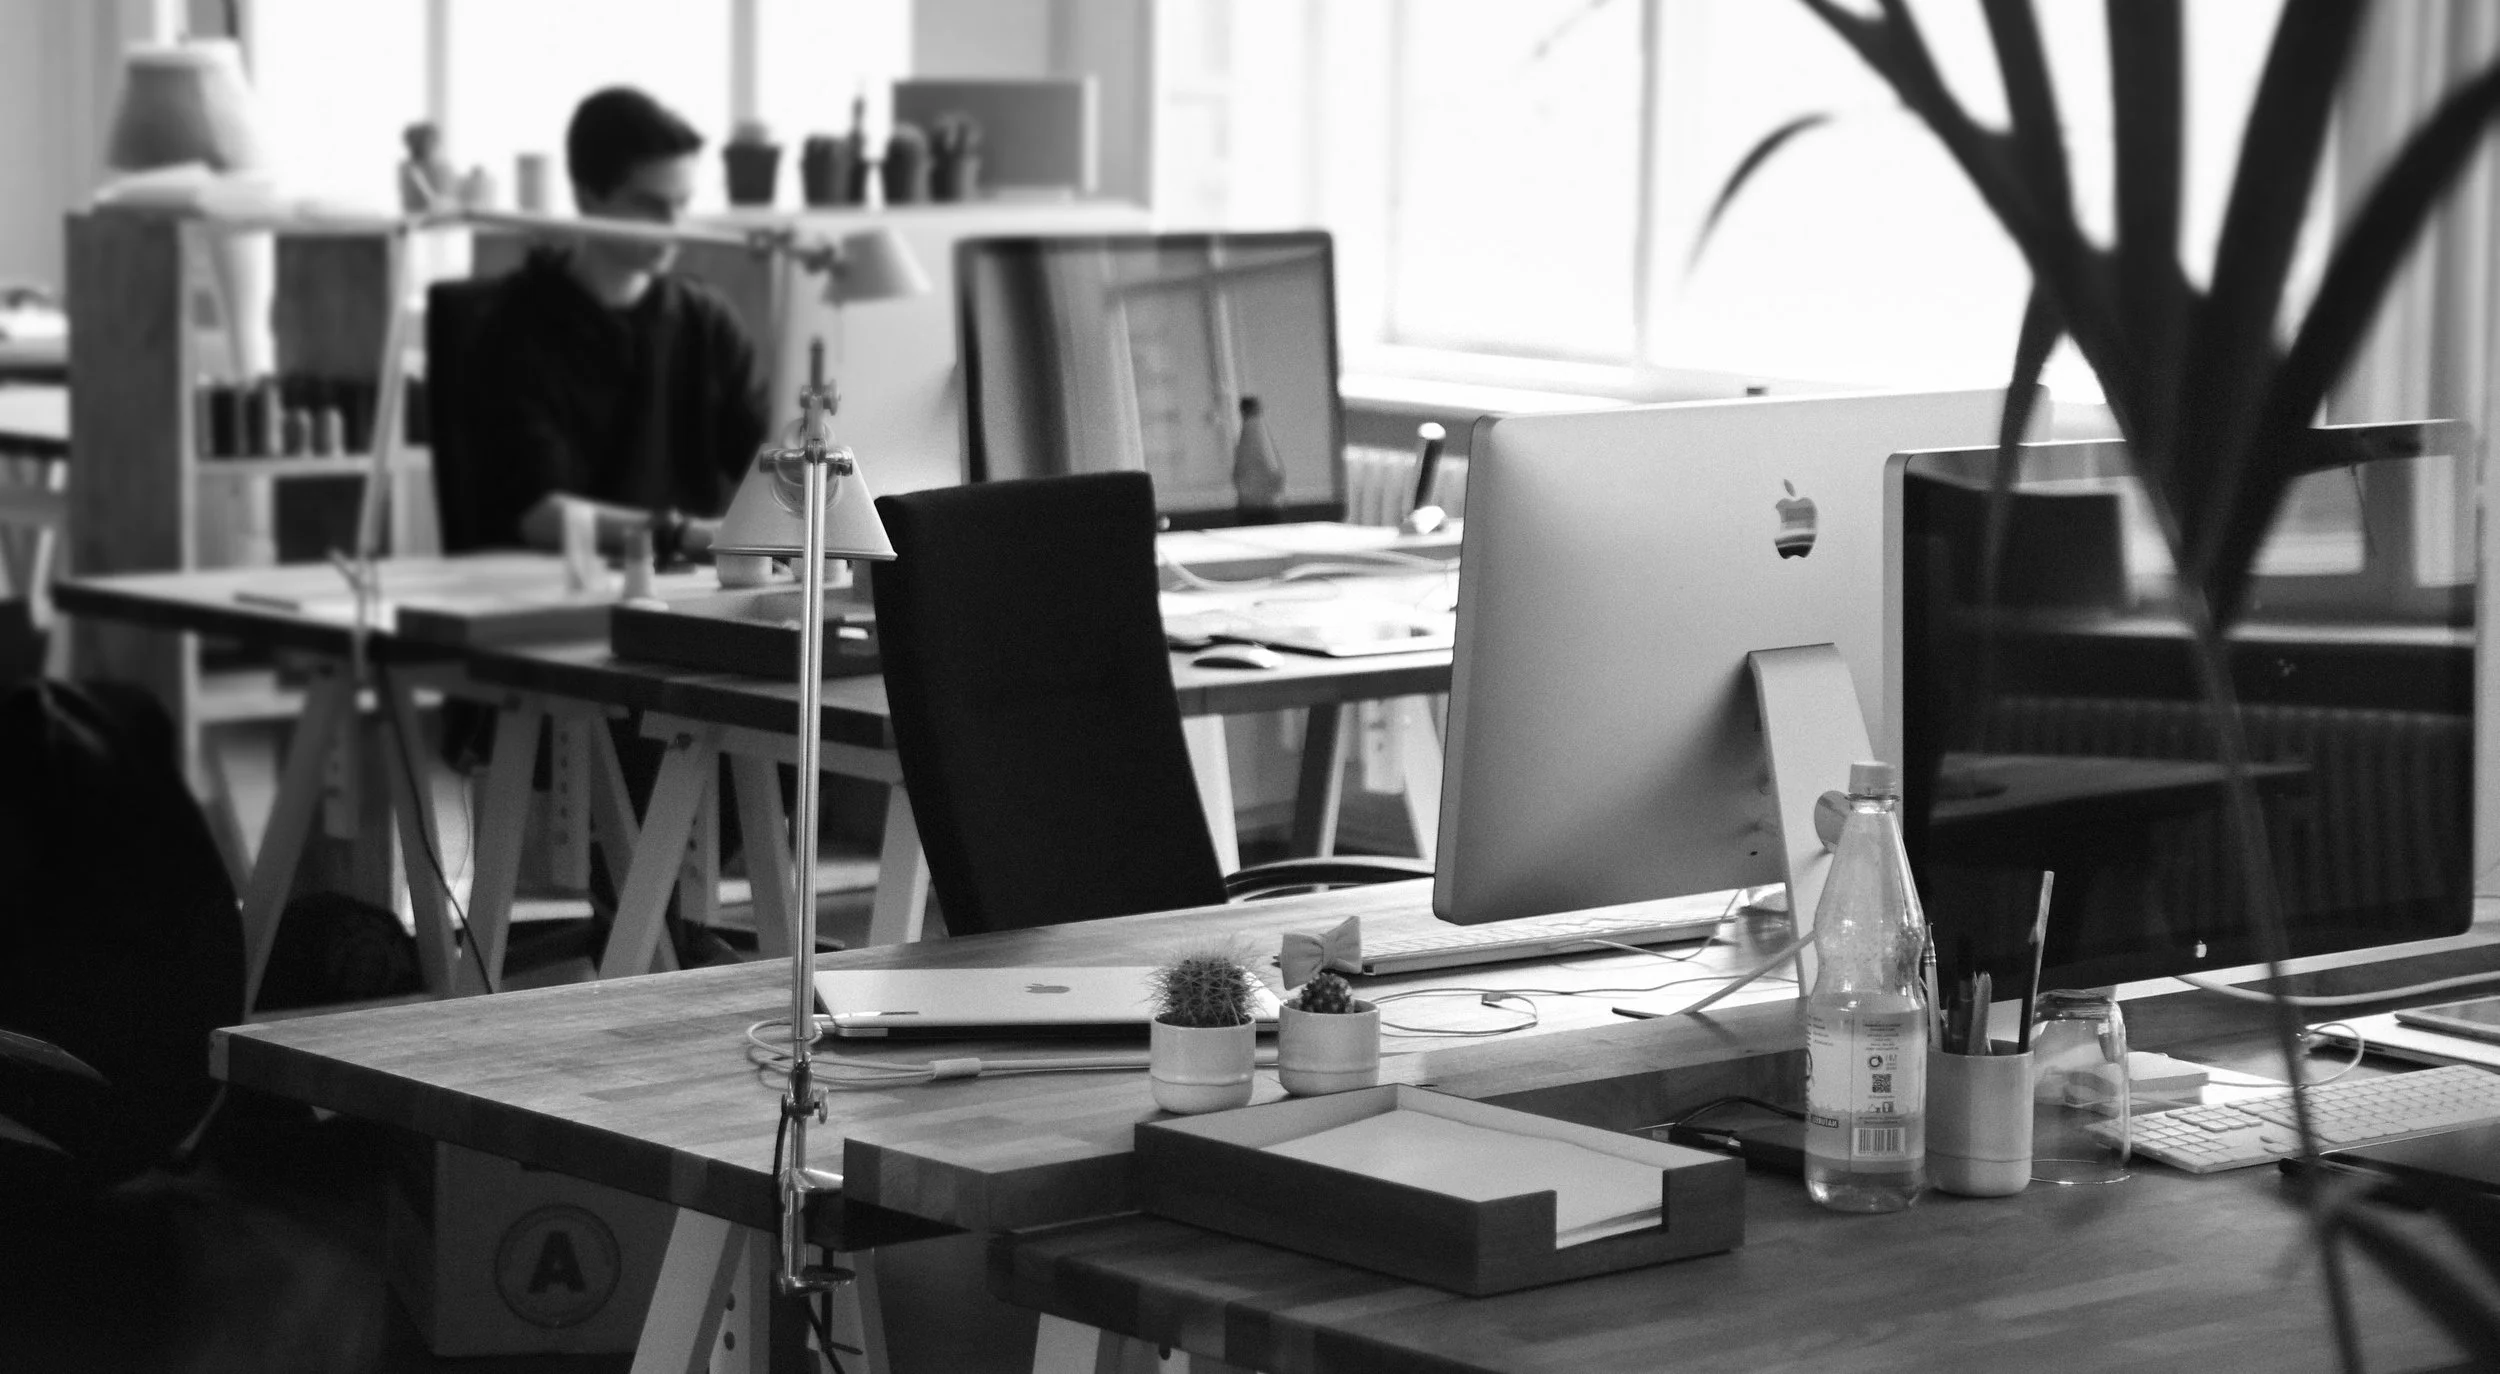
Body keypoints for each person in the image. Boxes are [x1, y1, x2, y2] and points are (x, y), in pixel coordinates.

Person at [468, 86, 770, 562]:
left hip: (691, 591)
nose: (673, 224)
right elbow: (536, 512)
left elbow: (767, 460)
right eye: (651, 204)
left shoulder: (707, 322)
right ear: (589, 198)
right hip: (560, 593)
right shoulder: (517, 327)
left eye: (682, 203)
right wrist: (681, 533)